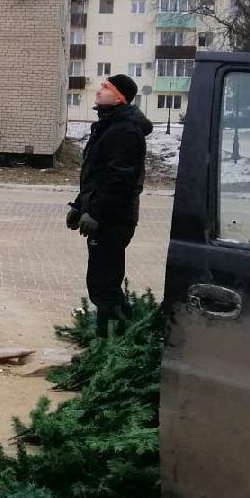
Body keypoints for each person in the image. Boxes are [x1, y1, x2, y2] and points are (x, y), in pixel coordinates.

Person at [68, 74, 152, 337]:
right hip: (105, 216)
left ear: (120, 97)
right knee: (101, 282)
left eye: (105, 88)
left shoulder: (125, 130)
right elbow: (96, 176)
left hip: (114, 219)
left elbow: (121, 180)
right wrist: (80, 206)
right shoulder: (109, 125)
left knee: (105, 285)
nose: (98, 91)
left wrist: (96, 212)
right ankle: (117, 336)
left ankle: (112, 344)